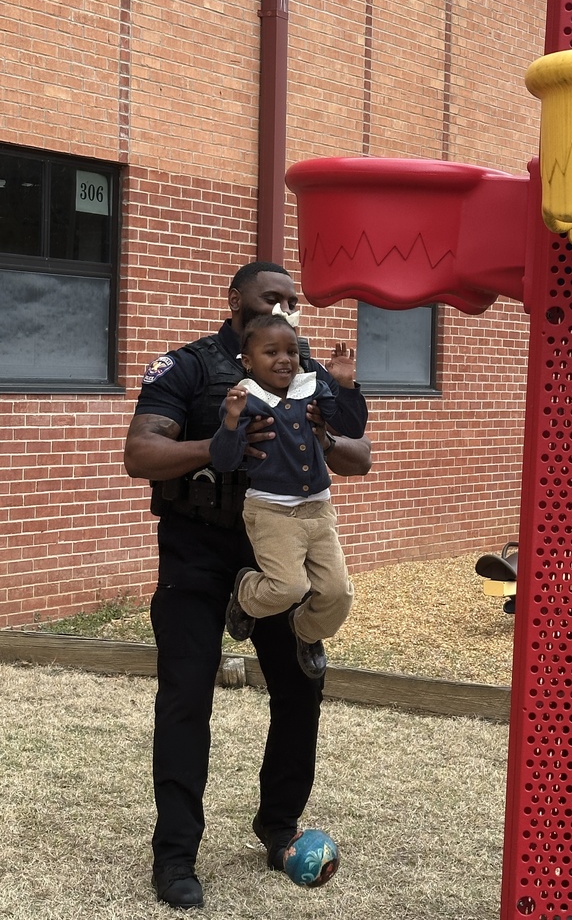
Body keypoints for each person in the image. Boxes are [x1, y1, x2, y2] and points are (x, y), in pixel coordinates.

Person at [123, 261, 372, 909]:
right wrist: (221, 441)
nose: (288, 309)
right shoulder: (190, 368)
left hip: (278, 552)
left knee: (300, 693)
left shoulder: (302, 366)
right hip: (198, 554)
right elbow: (140, 453)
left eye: (295, 300)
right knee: (186, 699)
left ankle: (279, 828)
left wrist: (318, 427)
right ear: (236, 300)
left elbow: (358, 456)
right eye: (274, 298)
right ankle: (176, 856)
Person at [209, 313, 367, 680]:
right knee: (288, 587)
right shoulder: (244, 399)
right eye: (271, 352)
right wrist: (231, 423)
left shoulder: (312, 387)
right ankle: (247, 591)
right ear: (247, 361)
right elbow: (225, 460)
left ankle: (307, 631)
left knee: (338, 593)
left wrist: (344, 385)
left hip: (318, 511)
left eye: (292, 351)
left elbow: (351, 427)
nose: (285, 359)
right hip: (272, 511)